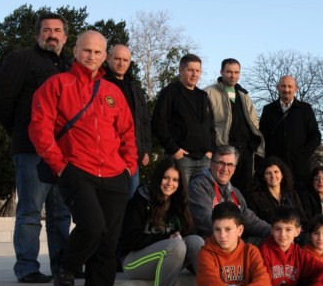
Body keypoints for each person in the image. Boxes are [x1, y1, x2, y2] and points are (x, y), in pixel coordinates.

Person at [29, 30, 137, 286]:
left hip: (114, 175)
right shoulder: (57, 85)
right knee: (92, 226)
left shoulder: (112, 91)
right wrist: (60, 165)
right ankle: (67, 264)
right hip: (76, 169)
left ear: (105, 56)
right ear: (75, 51)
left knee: (107, 249)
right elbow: (39, 128)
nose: (92, 56)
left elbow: (127, 132)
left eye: (98, 52)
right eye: (87, 50)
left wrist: (128, 167)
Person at [0, 12, 72, 283]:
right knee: (30, 211)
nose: (52, 35)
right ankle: (27, 268)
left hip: (64, 153)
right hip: (31, 151)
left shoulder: (70, 66)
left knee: (61, 213)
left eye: (57, 30)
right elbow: (1, 101)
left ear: (65, 37)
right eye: (47, 30)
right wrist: (20, 131)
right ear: (37, 34)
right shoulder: (20, 60)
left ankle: (62, 267)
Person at [119, 158, 204, 286]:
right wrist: (166, 238)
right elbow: (130, 240)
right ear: (158, 178)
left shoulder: (176, 202)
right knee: (176, 245)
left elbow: (187, 234)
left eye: (175, 180)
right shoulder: (140, 200)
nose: (170, 184)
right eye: (166, 178)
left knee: (196, 241)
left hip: (165, 259)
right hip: (133, 263)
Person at [151, 53, 216, 182]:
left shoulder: (203, 96)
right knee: (181, 194)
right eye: (190, 70)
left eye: (197, 71)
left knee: (201, 194)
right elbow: (158, 123)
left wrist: (210, 150)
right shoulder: (170, 92)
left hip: (204, 159)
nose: (194, 74)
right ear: (180, 70)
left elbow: (211, 126)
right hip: (181, 158)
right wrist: (174, 150)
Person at [204, 58, 264, 196]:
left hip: (246, 150)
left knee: (246, 190)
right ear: (221, 72)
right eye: (229, 72)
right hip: (224, 148)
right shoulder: (209, 93)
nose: (233, 76)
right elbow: (205, 124)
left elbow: (253, 120)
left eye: (236, 72)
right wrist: (211, 148)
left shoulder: (244, 95)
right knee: (223, 189)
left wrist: (254, 143)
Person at [189, 145, 270, 245]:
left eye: (230, 165)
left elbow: (250, 220)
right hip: (210, 241)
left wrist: (275, 231)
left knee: (268, 240)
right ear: (211, 163)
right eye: (221, 163)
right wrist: (232, 234)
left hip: (233, 240)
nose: (225, 169)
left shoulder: (235, 192)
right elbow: (205, 221)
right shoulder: (198, 185)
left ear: (235, 168)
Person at [104, 44, 151, 197]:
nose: (121, 63)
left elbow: (144, 121)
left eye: (125, 60)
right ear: (108, 59)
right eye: (117, 59)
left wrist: (145, 150)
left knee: (131, 198)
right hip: (107, 154)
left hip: (132, 155)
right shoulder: (101, 84)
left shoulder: (135, 89)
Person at [259, 75, 321, 188]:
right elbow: (262, 136)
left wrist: (303, 155)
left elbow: (315, 136)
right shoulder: (268, 110)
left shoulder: (305, 109)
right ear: (278, 88)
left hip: (299, 169)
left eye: (290, 86)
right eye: (283, 86)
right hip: (275, 168)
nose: (286, 89)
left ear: (295, 89)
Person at [247, 156, 305, 225]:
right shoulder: (255, 197)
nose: (273, 176)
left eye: (276, 172)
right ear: (263, 177)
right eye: (268, 173)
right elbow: (253, 222)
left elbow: (302, 218)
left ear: (282, 175)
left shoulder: (292, 195)